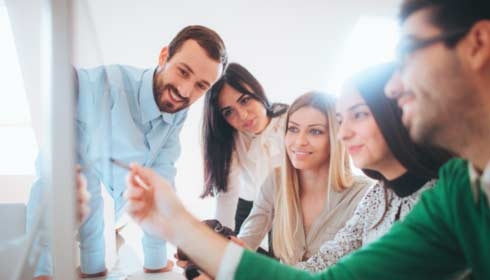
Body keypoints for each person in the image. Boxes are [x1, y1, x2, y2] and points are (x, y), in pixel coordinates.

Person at [126, 0, 490, 278]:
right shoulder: (458, 194)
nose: (397, 86)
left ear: (478, 44)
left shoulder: (415, 193)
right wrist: (181, 226)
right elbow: (328, 273)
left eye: (410, 51)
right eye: (341, 119)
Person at [28, 25, 227, 279]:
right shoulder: (103, 87)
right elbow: (55, 176)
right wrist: (87, 266)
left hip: (112, 225)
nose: (185, 91)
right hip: (62, 222)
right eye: (183, 71)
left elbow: (160, 179)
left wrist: (155, 261)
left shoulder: (177, 110)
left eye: (201, 86)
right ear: (164, 56)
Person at [296, 63, 451, 272]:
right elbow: (331, 256)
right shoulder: (379, 193)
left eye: (359, 115)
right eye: (340, 120)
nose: (343, 134)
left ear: (396, 112)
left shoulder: (442, 200)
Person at [236, 92, 370, 264]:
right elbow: (246, 240)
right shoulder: (275, 182)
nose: (299, 141)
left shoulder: (363, 195)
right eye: (293, 129)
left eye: (315, 131)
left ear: (336, 138)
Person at [201, 62, 288, 233]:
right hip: (248, 204)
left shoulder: (292, 122)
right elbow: (227, 195)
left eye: (245, 100)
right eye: (228, 112)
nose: (242, 115)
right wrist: (219, 238)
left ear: (257, 90)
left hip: (290, 203)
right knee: (233, 247)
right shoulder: (230, 139)